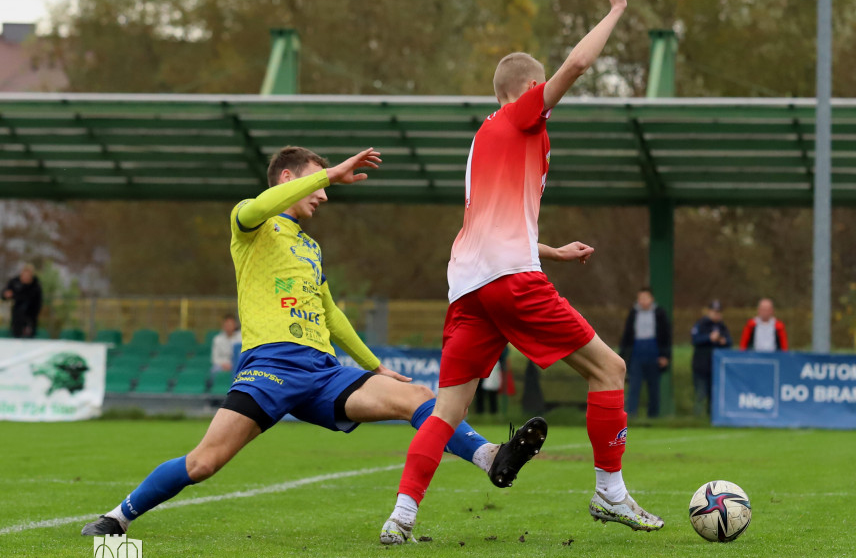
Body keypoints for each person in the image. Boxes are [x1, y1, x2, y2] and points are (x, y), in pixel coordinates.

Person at [82, 146, 541, 537]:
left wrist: (373, 364)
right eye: (315, 184)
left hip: (323, 373)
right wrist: (332, 172)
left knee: (418, 397)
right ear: (287, 178)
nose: (323, 195)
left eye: (325, 186)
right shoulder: (250, 221)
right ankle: (117, 519)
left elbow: (331, 313)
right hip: (270, 369)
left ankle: (491, 457)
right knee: (204, 463)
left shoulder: (310, 247)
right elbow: (262, 206)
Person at [380, 0, 663, 546]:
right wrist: (615, 10)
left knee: (446, 412)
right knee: (610, 370)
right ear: (530, 88)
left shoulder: (483, 140)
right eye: (543, 90)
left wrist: (553, 249)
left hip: (469, 288)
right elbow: (579, 64)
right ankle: (610, 492)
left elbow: (491, 224)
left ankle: (400, 518)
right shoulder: (522, 117)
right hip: (511, 282)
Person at [618, 287, 672, 418]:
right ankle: (631, 415)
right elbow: (627, 336)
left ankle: (653, 416)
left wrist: (665, 355)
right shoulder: (633, 313)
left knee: (654, 387)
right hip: (637, 353)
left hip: (653, 352)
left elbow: (666, 336)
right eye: (640, 298)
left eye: (645, 298)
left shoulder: (660, 313)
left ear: (651, 299)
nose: (642, 301)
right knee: (634, 386)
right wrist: (622, 356)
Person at [691, 300, 732, 415]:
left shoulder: (722, 326)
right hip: (701, 366)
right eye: (714, 312)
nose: (716, 314)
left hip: (716, 367)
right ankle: (697, 418)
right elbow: (695, 340)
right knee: (700, 394)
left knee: (714, 395)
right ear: (709, 312)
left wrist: (723, 341)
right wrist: (709, 338)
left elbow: (729, 341)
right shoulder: (701, 324)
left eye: (718, 312)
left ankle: (711, 418)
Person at [3, 264, 43, 338]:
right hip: (17, 316)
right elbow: (5, 294)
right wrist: (6, 294)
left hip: (30, 317)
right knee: (16, 336)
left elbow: (37, 301)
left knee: (29, 337)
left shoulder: (36, 285)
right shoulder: (14, 282)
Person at [475, 346, 506, 415]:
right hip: (481, 366)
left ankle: (493, 411)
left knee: (493, 391)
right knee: (479, 390)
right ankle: (480, 411)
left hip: (493, 366)